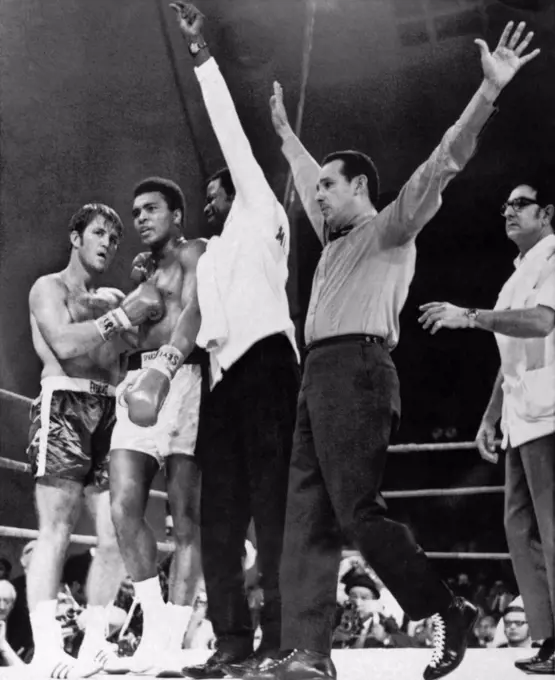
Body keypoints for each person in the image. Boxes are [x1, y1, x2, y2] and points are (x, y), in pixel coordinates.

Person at [256, 21, 539, 680]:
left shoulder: (390, 226)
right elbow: (300, 172)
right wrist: (281, 131)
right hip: (316, 375)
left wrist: (486, 92)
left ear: (358, 186)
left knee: (355, 509)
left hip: (356, 371)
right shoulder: (330, 239)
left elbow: (446, 156)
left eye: (328, 185)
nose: (315, 194)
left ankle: (440, 606)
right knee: (307, 514)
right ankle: (309, 653)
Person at [165, 4, 300, 678]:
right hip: (222, 378)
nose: (208, 202)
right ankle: (231, 642)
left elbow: (232, 139)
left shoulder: (258, 210)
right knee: (218, 514)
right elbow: (194, 318)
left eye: (214, 194)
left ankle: (281, 638)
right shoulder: (214, 256)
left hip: (270, 366)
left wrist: (201, 56)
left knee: (273, 509)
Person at [418, 178, 555, 676]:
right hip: (522, 419)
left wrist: (469, 316)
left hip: (551, 415)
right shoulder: (516, 274)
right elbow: (510, 348)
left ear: (548, 213)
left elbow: (540, 323)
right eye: (506, 205)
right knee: (520, 530)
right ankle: (548, 638)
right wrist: (490, 415)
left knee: (551, 530)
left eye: (522, 204)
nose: (510, 212)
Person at [26, 202, 163, 678]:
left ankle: (95, 643)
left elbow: (140, 338)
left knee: (114, 535)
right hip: (64, 404)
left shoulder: (110, 297)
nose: (107, 242)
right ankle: (47, 649)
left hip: (111, 410)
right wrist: (123, 315)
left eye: (114, 237)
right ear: (75, 236)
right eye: (99, 233)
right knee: (57, 530)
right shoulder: (49, 287)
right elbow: (63, 344)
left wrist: (152, 288)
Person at [106, 177, 206, 675]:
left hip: (186, 378)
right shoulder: (143, 274)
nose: (140, 217)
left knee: (188, 520)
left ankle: (169, 642)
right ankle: (152, 625)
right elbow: (123, 336)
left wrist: (167, 363)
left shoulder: (197, 253)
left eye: (151, 208)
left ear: (177, 214)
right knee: (123, 505)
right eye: (136, 210)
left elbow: (197, 310)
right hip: (139, 378)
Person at [0, 581, 23, 668]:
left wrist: (4, 647)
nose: (2, 607)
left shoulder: (23, 634)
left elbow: (25, 673)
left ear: (12, 605)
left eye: (7, 601)